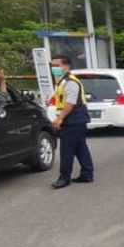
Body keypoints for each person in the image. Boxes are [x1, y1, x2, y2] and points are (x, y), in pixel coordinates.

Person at [49, 55, 94, 189]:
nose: (54, 68)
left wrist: (59, 118)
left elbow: (70, 103)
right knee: (80, 147)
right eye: (52, 66)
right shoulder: (62, 81)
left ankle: (64, 178)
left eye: (57, 65)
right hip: (76, 119)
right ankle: (87, 174)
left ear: (66, 66)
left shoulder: (70, 82)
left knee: (66, 149)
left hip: (73, 119)